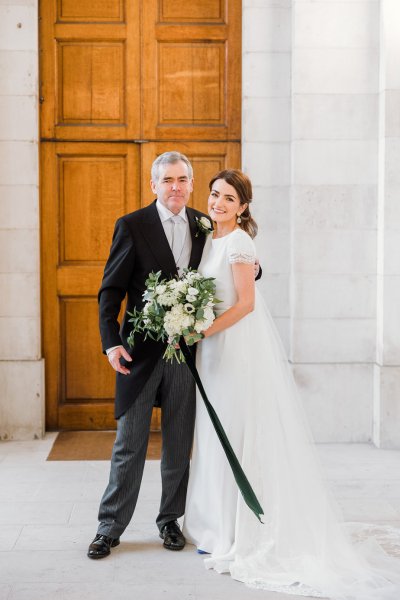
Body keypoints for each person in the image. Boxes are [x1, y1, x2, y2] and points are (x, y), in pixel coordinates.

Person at [183, 169, 400, 599]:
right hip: (212, 352)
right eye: (214, 195)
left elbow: (246, 304)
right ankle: (214, 524)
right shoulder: (209, 238)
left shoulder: (241, 242)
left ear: (243, 207)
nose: (218, 203)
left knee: (237, 433)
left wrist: (200, 332)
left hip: (232, 350)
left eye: (228, 198)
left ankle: (236, 530)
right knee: (213, 433)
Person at [87, 151, 209, 559]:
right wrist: (111, 341)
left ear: (191, 184)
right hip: (138, 354)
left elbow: (228, 266)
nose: (175, 186)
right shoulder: (132, 225)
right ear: (153, 184)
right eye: (168, 179)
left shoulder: (203, 226)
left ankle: (169, 521)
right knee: (130, 441)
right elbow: (111, 291)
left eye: (182, 179)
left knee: (178, 440)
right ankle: (109, 527)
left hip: (187, 354)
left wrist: (255, 268)